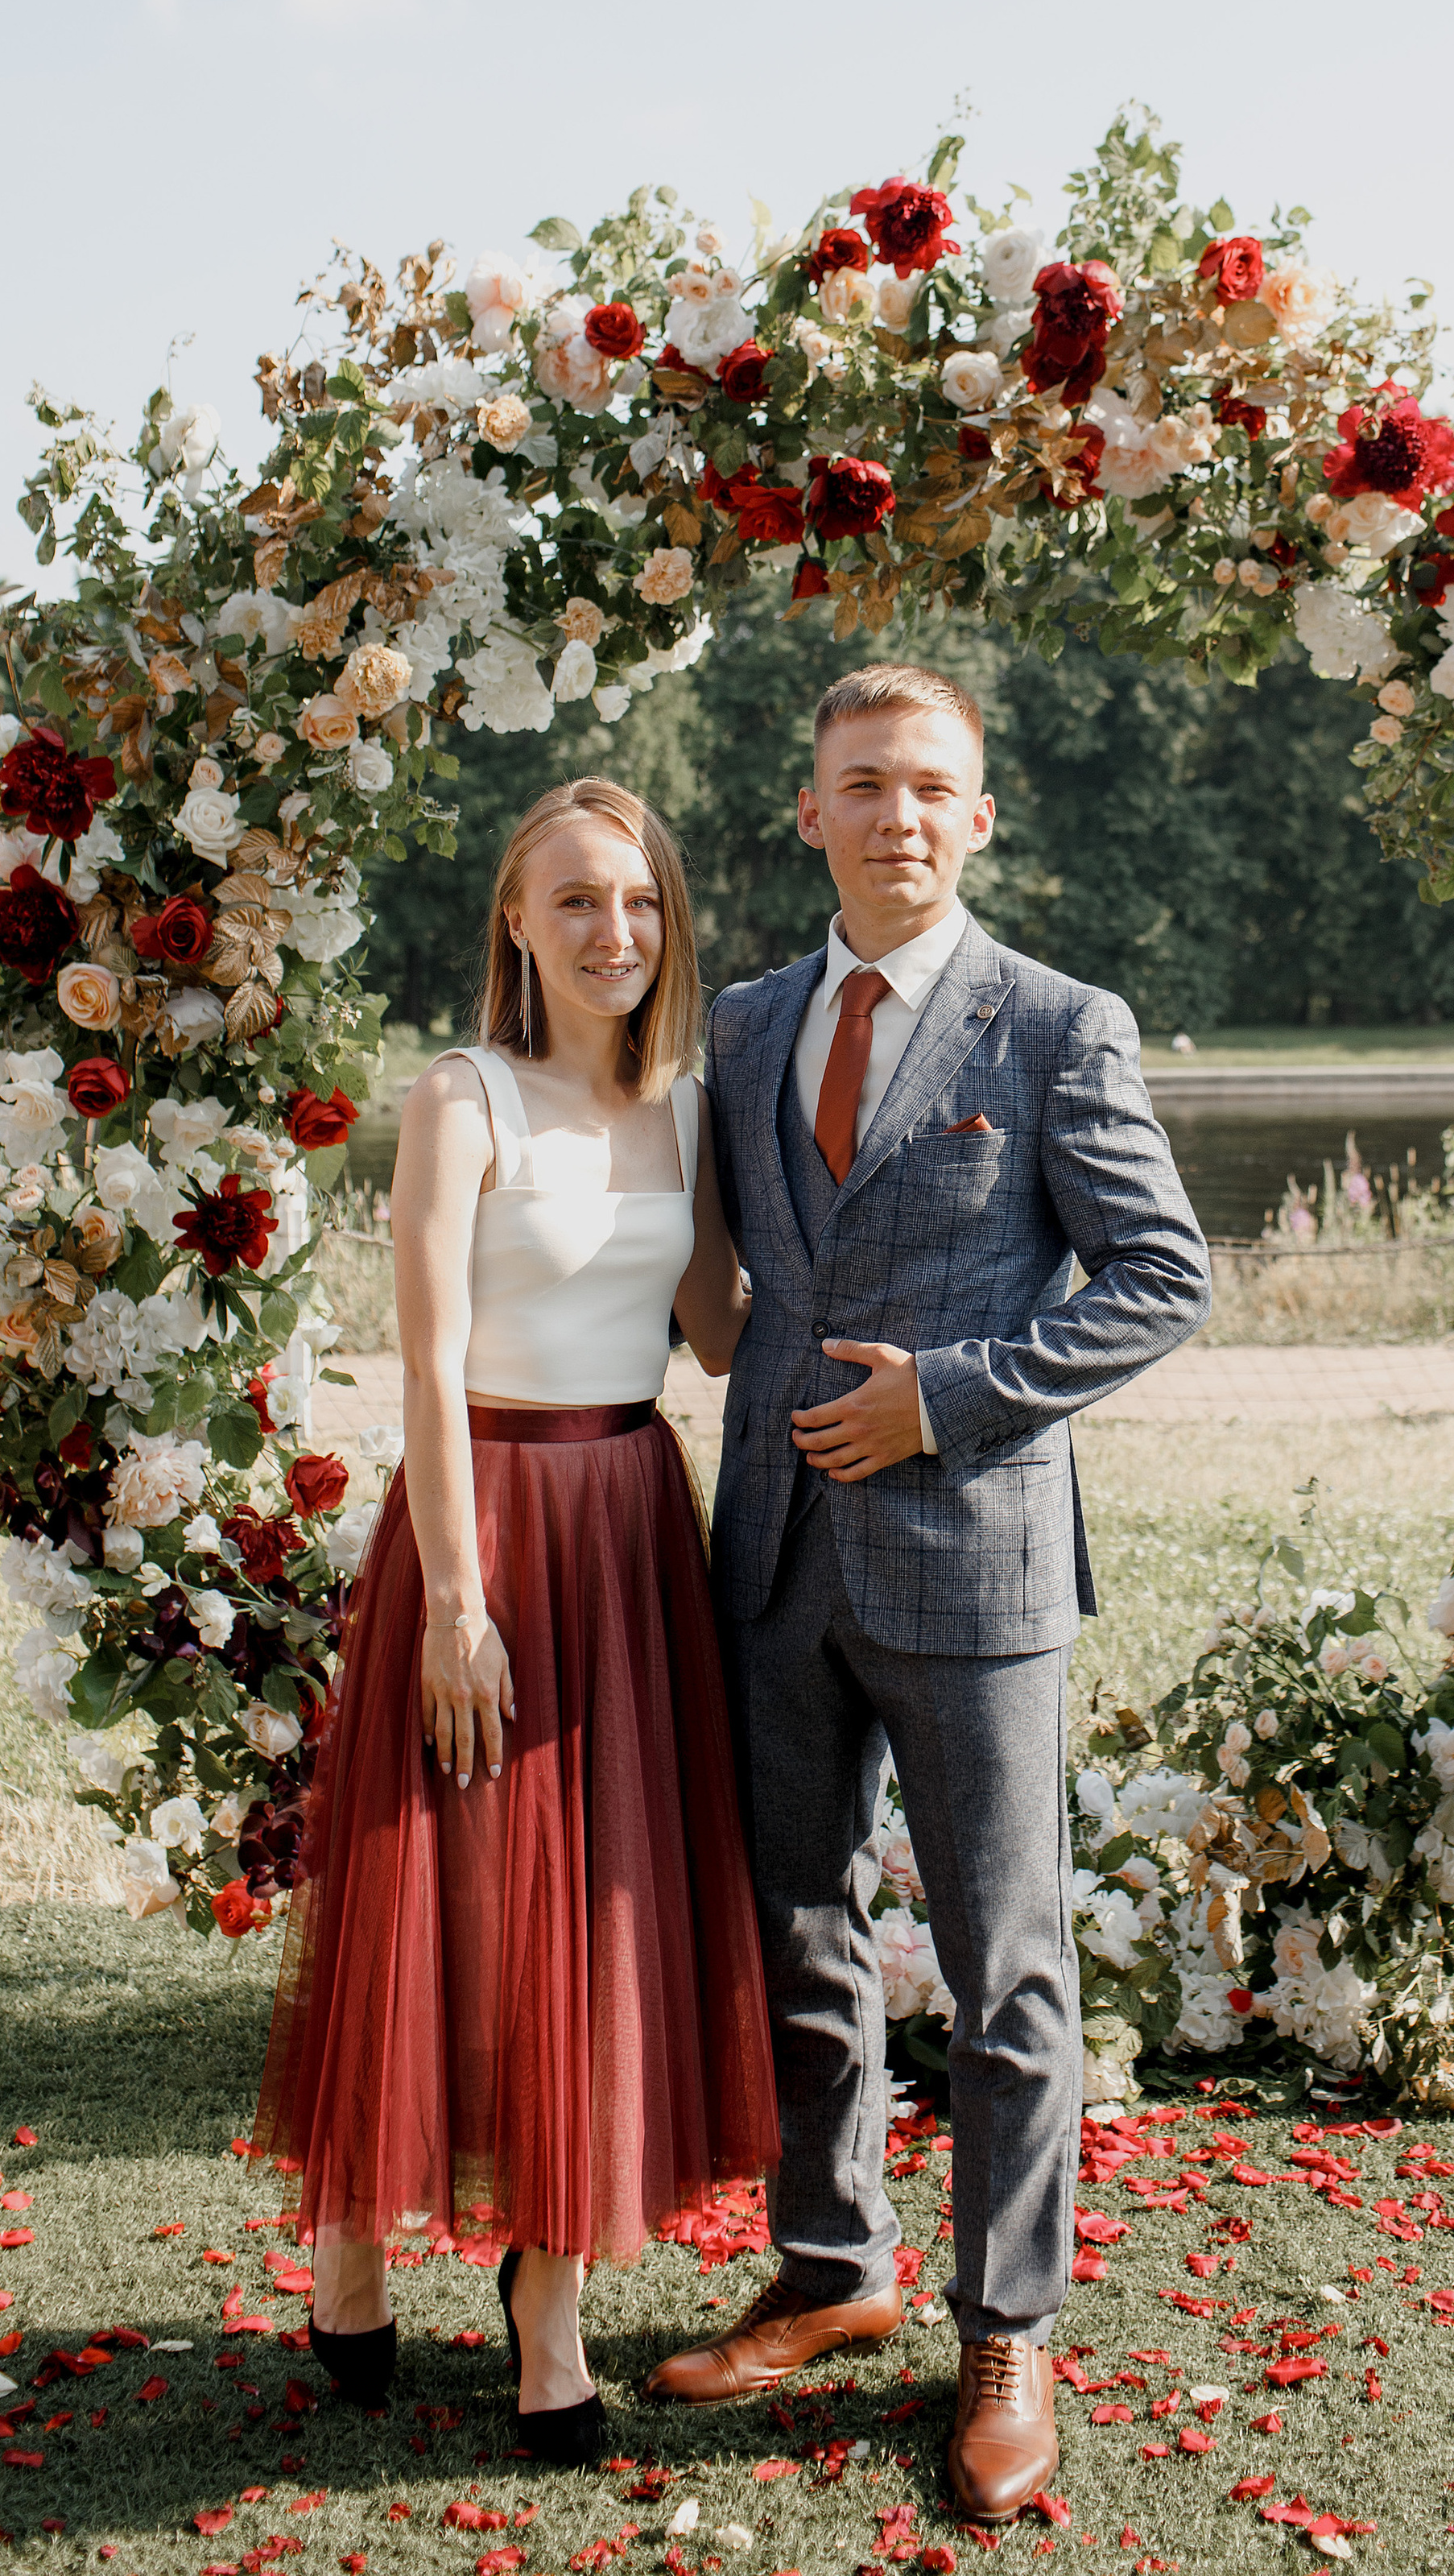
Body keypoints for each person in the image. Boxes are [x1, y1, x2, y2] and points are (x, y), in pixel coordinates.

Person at [646, 668, 1210, 2523]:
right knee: (797, 1933)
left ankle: (1003, 2329)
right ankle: (830, 2267)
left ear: (980, 819)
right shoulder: (734, 1027)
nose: (895, 813)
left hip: (972, 1565)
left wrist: (944, 1402)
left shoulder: (1055, 1026)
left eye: (931, 789)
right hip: (772, 1564)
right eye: (860, 784)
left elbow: (1154, 1278)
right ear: (803, 810)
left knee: (1002, 1971)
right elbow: (712, 1272)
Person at [252, 778, 777, 2460]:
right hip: (478, 1526)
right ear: (514, 922)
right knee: (449, 1897)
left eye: (636, 903)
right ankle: (351, 2243)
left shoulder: (692, 1106)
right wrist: (455, 1604)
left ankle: (545, 2299)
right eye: (573, 904)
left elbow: (707, 1332)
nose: (612, 933)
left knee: (596, 1915)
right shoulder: (459, 1097)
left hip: (630, 1527)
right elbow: (420, 1361)